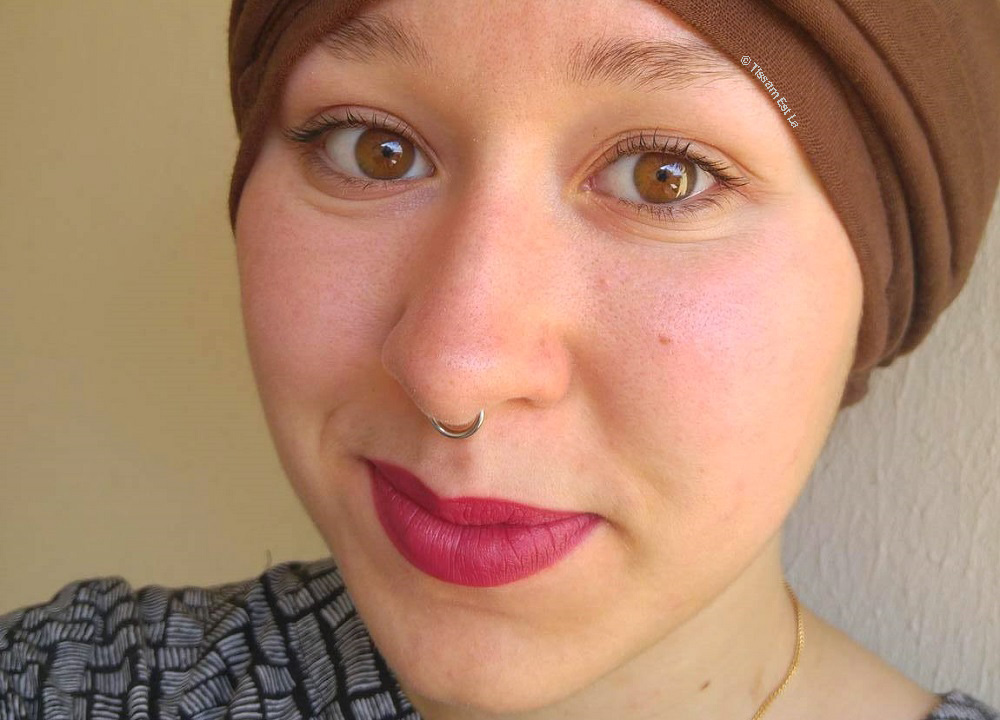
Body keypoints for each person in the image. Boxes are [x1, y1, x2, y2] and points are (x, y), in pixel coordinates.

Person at [2, 0, 998, 718]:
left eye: (663, 176)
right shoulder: (69, 686)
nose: (451, 371)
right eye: (373, 149)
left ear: (880, 281)